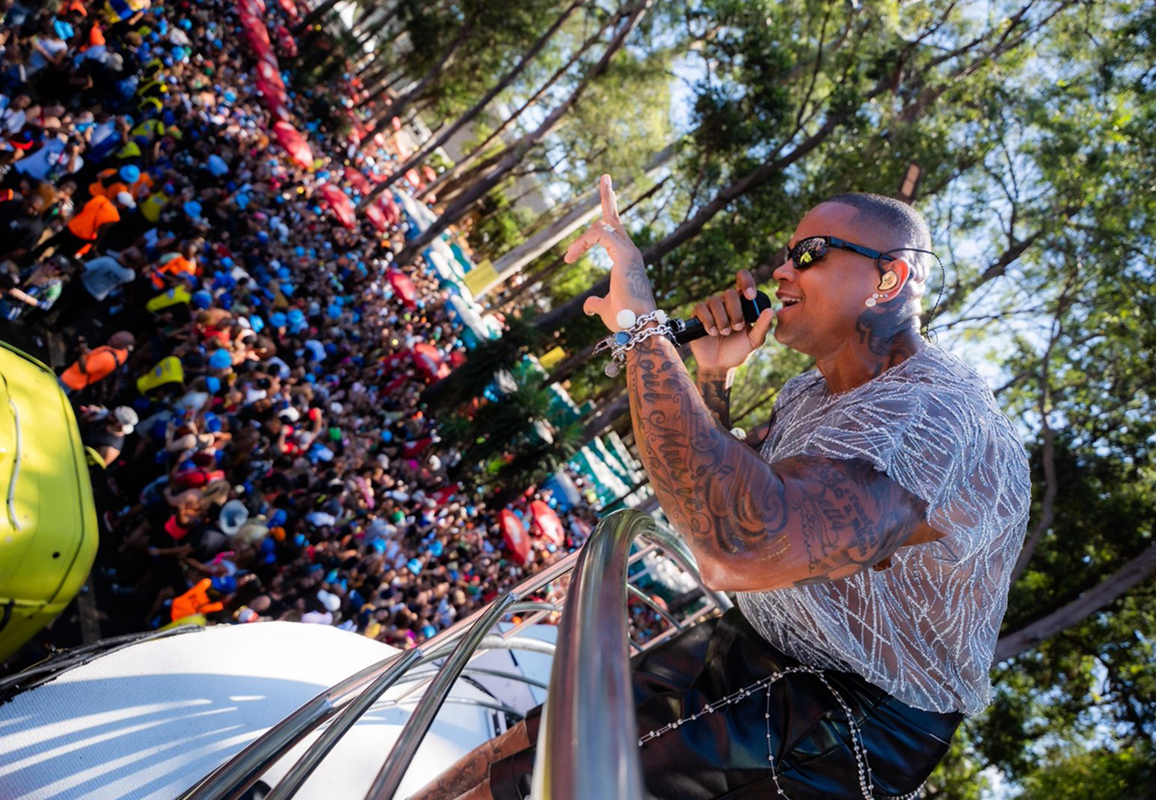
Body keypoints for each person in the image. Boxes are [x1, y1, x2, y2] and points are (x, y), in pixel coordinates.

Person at [413, 182, 1032, 800]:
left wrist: (642, 327)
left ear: (888, 280)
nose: (782, 272)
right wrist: (711, 372)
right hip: (757, 640)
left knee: (534, 792)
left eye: (810, 253)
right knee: (515, 753)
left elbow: (739, 543)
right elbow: (723, 487)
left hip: (845, 708)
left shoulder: (939, 421)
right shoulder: (810, 394)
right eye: (787, 254)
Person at [59, 329, 134, 394]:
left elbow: (84, 369)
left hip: (71, 381)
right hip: (74, 379)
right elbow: (97, 359)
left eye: (117, 339)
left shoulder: (107, 358)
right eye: (115, 335)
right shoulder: (122, 352)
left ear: (123, 346)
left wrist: (82, 352)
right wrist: (86, 350)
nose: (113, 337)